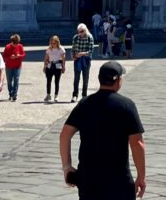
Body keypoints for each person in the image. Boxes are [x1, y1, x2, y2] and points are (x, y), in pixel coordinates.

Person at [60, 60, 146, 199]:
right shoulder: (126, 105)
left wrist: (67, 167)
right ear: (118, 80)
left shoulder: (85, 104)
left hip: (89, 179)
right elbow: (137, 144)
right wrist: (141, 177)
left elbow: (64, 135)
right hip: (118, 180)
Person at [71, 24, 94, 101]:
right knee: (76, 78)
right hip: (77, 59)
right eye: (79, 31)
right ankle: (75, 95)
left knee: (85, 78)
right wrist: (73, 56)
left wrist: (81, 53)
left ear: (85, 30)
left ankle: (84, 95)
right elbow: (73, 48)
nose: (80, 33)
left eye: (82, 31)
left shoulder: (89, 37)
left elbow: (91, 50)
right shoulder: (75, 37)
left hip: (86, 60)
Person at [2, 33, 26, 101]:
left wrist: (19, 56)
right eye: (14, 43)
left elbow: (23, 55)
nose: (16, 44)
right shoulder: (7, 47)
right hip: (9, 66)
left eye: (17, 43)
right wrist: (10, 57)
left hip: (17, 66)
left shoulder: (20, 46)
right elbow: (4, 56)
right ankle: (10, 93)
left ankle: (15, 94)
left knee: (16, 79)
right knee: (9, 81)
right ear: (11, 41)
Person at [44, 35, 67, 103]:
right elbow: (46, 58)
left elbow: (63, 59)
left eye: (54, 43)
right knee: (48, 81)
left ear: (57, 42)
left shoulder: (61, 49)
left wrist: (63, 67)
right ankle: (48, 94)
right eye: (51, 43)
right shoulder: (49, 48)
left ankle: (56, 96)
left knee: (56, 82)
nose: (52, 44)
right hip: (50, 66)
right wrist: (44, 66)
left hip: (57, 66)